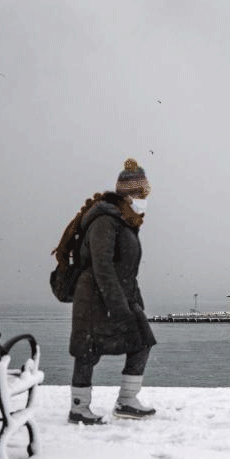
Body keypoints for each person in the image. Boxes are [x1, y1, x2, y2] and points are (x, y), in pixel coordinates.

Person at [68, 158, 157, 424]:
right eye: (142, 194)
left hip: (118, 295)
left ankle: (127, 401)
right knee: (87, 350)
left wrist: (133, 301)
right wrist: (117, 305)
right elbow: (102, 265)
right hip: (94, 298)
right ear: (130, 194)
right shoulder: (105, 220)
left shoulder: (125, 221)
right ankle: (79, 408)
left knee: (141, 341)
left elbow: (126, 268)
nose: (145, 200)